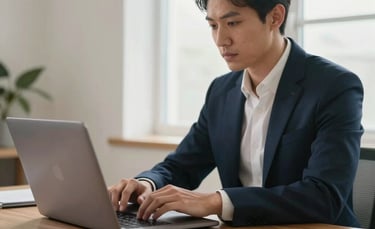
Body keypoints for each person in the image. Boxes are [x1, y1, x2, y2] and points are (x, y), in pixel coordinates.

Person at [108, 0, 364, 227]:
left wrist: (216, 202)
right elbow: (182, 165)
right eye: (213, 26)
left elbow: (323, 197)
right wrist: (147, 184)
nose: (221, 40)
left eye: (232, 22)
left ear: (275, 17)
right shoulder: (221, 90)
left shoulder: (334, 86)